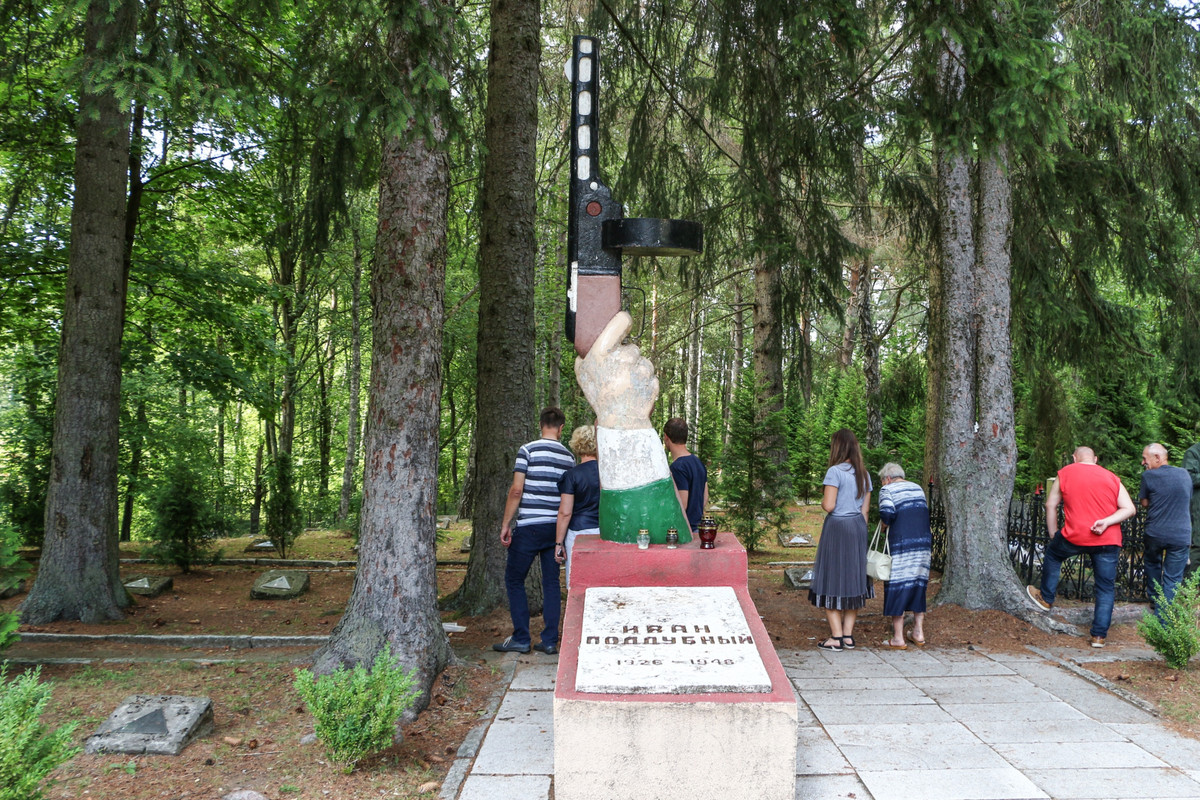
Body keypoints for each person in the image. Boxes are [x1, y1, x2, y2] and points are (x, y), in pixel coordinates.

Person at [1027, 446, 1136, 648]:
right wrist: (1106, 521)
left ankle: (1046, 598)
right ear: (1095, 459)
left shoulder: (1066, 472)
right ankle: (1099, 637)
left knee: (1053, 554)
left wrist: (1053, 533)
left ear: (1074, 458)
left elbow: (1051, 505)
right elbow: (1129, 508)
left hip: (1075, 535)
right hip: (1108, 538)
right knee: (1105, 587)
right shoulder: (1111, 477)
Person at [494, 407, 575, 655]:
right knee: (551, 583)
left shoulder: (527, 450)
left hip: (529, 526)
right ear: (561, 428)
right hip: (555, 530)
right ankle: (550, 640)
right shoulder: (569, 458)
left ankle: (521, 637)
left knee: (514, 579)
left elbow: (516, 490)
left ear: (541, 425)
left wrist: (506, 523)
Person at [809, 429, 872, 652]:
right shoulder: (863, 474)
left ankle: (835, 637)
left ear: (837, 447)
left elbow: (829, 505)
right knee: (854, 579)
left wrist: (822, 501)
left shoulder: (834, 472)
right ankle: (848, 636)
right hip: (857, 528)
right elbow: (865, 511)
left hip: (838, 528)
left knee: (832, 578)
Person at [875, 463, 931, 650]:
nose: (883, 484)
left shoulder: (888, 490)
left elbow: (887, 514)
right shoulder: (918, 488)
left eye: (882, 481)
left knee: (897, 586)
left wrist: (883, 525)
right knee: (917, 585)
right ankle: (918, 632)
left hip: (901, 545)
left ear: (888, 478)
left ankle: (898, 638)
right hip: (922, 545)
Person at [1138, 443, 1194, 613]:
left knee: (1153, 563)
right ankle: (1164, 620)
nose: (1143, 463)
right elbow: (1187, 497)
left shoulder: (1148, 477)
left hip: (1155, 532)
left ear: (1157, 457)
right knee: (1172, 578)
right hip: (1180, 535)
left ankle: (1155, 598)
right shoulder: (1185, 474)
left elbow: (1144, 503)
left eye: (1144, 458)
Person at [556, 425, 600, 590]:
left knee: (577, 584)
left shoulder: (572, 475)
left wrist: (558, 544)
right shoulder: (609, 474)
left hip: (579, 533)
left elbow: (565, 512)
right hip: (606, 531)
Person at [663, 417, 709, 534]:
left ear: (666, 437)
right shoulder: (698, 462)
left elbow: (682, 504)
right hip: (699, 530)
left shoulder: (678, 467)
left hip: (685, 531)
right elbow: (705, 498)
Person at [1184, 439, 1200, 577]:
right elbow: (1190, 478)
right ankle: (1188, 588)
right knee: (1198, 545)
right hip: (1198, 505)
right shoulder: (1193, 452)